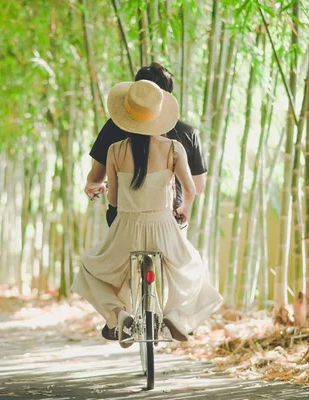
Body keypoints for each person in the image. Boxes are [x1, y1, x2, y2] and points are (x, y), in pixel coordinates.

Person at [72, 80, 222, 347]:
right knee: (192, 268)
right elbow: (190, 189)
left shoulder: (114, 150)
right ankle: (175, 314)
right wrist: (184, 208)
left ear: (126, 117)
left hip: (126, 230)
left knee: (90, 268)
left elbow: (115, 199)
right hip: (163, 227)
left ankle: (119, 315)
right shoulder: (174, 148)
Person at [85, 63, 207, 235]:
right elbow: (197, 187)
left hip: (122, 226)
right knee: (188, 261)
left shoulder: (114, 129)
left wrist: (101, 185)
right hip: (169, 226)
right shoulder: (185, 136)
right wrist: (184, 206)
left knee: (93, 261)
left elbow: (98, 181)